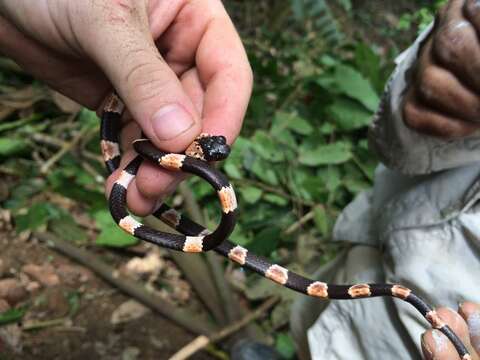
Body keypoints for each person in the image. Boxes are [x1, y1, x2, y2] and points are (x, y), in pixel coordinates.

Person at [0, 0, 478, 359]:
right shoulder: (146, 148)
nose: (214, 149)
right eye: (205, 152)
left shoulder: (148, 157)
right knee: (310, 315)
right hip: (369, 252)